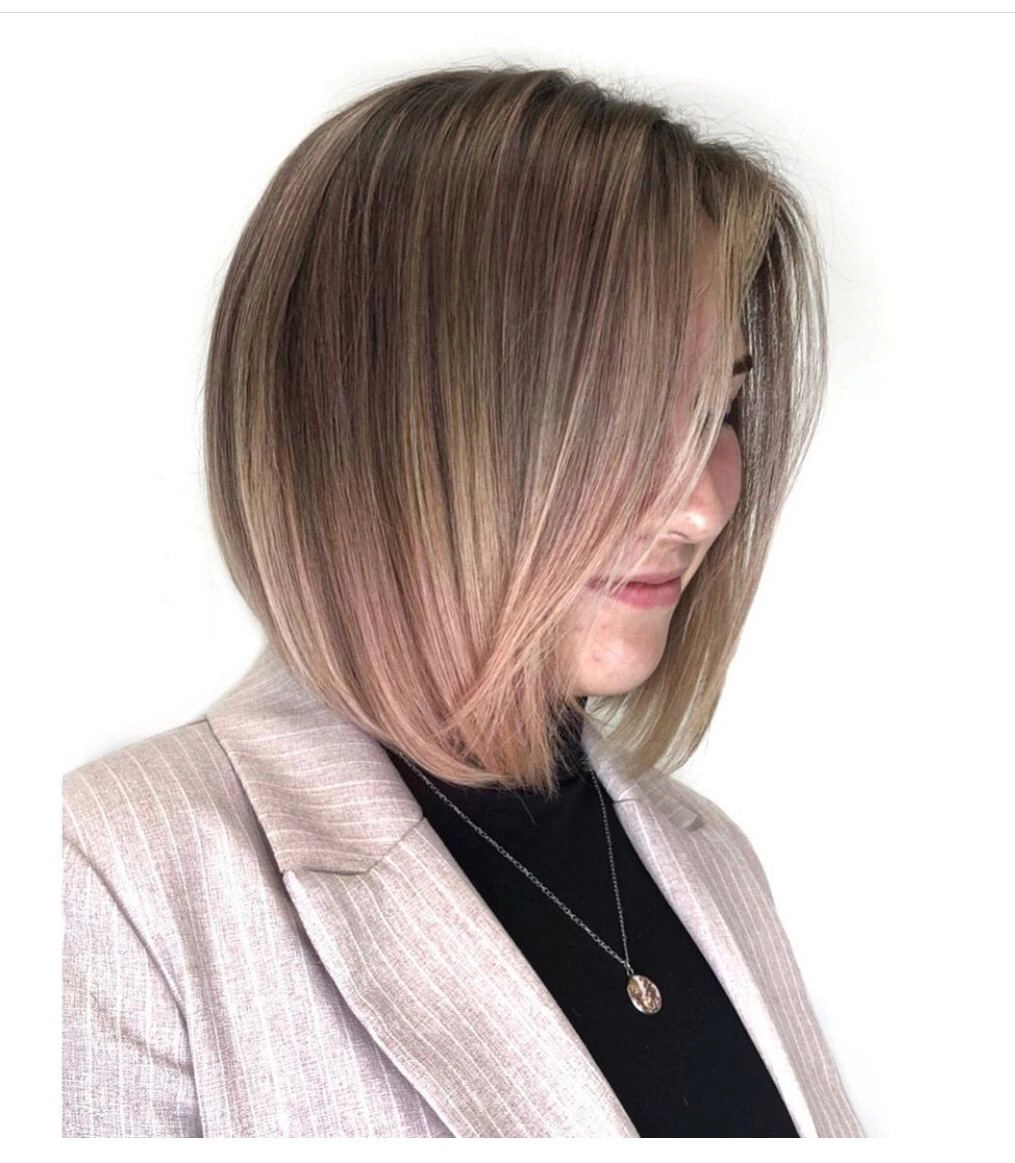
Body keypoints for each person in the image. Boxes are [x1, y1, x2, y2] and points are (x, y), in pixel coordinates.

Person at [62, 64, 865, 1138]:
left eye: (714, 409)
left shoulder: (710, 857)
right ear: (393, 421)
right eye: (618, 414)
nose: (701, 505)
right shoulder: (114, 881)